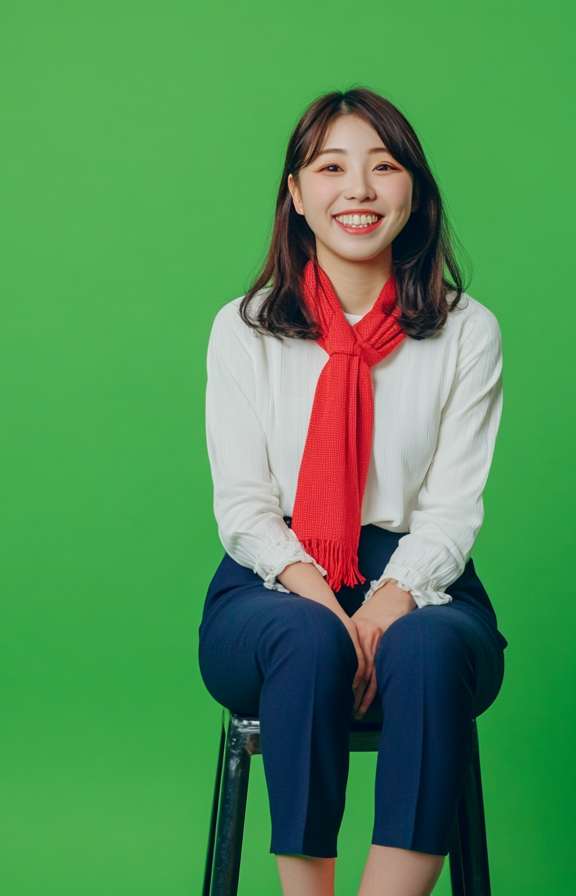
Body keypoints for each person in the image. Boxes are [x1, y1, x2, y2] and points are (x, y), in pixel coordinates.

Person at [199, 87, 507, 896]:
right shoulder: (245, 327)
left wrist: (389, 598)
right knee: (307, 643)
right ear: (298, 195)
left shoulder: (466, 330)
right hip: (275, 582)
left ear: (415, 192)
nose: (360, 189)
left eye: (384, 166)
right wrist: (325, 606)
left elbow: (451, 512)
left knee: (432, 650)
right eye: (332, 167)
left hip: (422, 584)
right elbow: (244, 507)